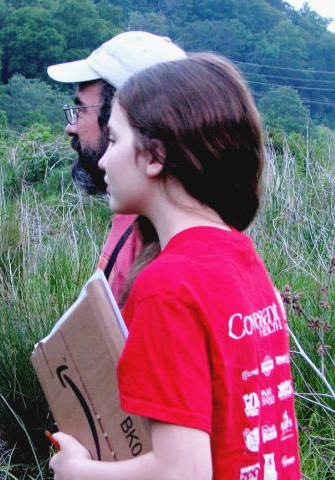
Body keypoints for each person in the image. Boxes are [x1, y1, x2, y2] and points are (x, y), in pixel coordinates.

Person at [49, 53, 301, 479]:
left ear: (155, 156)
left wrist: (78, 471)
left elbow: (182, 473)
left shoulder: (167, 286)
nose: (105, 160)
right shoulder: (242, 258)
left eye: (114, 141)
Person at [47, 31, 186, 304]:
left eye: (81, 111)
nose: (69, 127)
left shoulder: (170, 251)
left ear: (122, 119)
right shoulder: (135, 213)